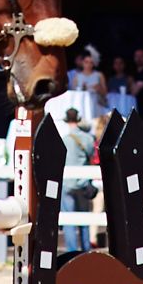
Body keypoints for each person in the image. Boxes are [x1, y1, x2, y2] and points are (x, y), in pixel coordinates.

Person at [57, 107, 97, 250]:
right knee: (84, 219)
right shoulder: (88, 138)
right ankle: (86, 250)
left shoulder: (64, 139)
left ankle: (72, 251)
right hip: (83, 182)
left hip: (67, 182)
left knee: (69, 220)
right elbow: (92, 155)